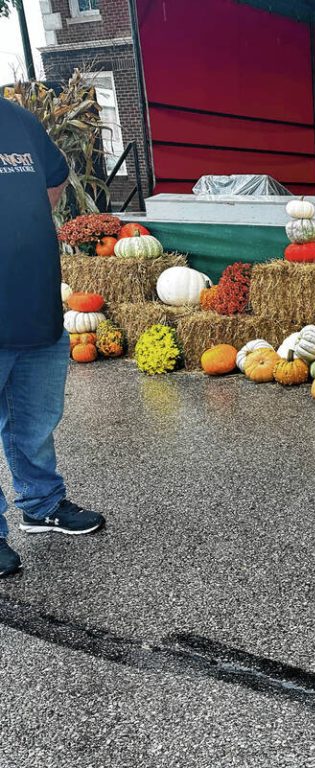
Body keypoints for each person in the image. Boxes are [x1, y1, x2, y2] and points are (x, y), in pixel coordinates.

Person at [0, 97, 106, 578]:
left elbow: (55, 176)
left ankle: (41, 504)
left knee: (35, 421)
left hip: (36, 306)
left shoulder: (17, 119)